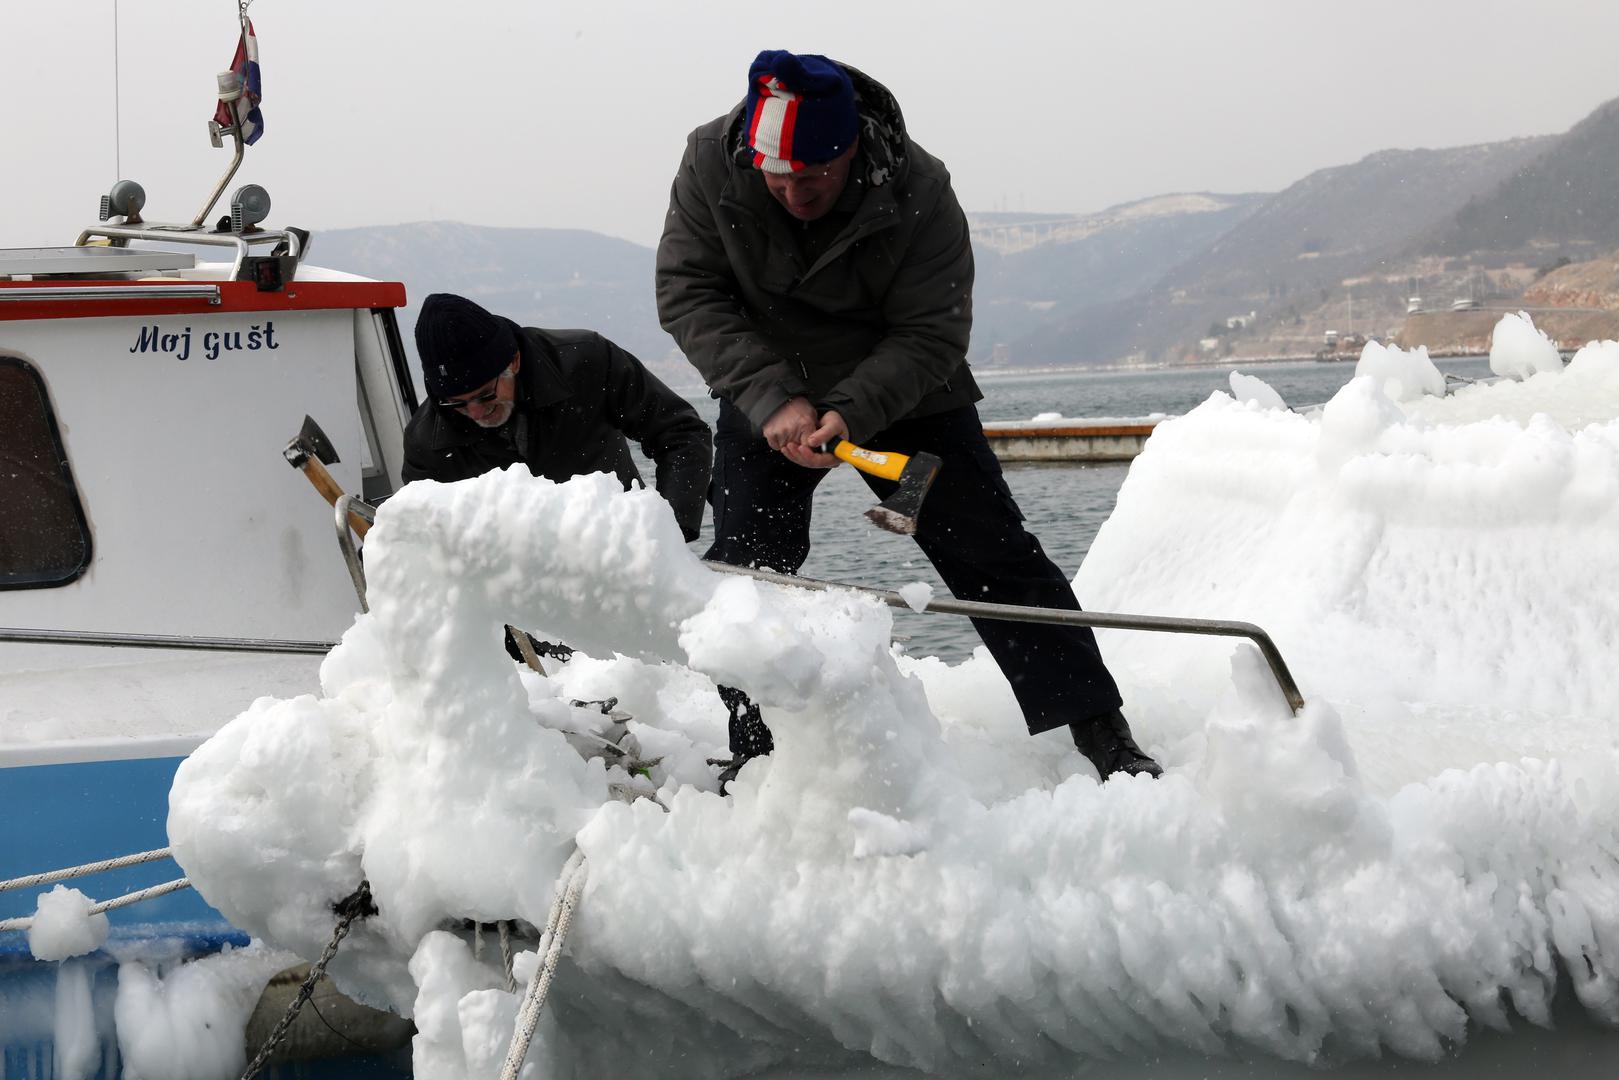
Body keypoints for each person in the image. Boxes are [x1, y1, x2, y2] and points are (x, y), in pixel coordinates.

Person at [655, 50, 1161, 783]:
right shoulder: (709, 160)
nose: (793, 192)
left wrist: (850, 411)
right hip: (767, 388)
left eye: (813, 177)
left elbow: (932, 332)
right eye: (778, 176)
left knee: (995, 558)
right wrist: (771, 400)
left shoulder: (921, 187)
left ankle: (1101, 731)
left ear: (850, 148)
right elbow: (688, 291)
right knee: (746, 574)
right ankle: (757, 745)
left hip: (905, 390)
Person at [402, 292, 711, 542]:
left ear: (515, 360)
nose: (476, 412)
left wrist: (669, 532)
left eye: (486, 395)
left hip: (622, 561)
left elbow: (681, 433)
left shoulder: (587, 360)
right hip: (513, 596)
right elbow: (416, 532)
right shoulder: (428, 440)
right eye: (457, 403)